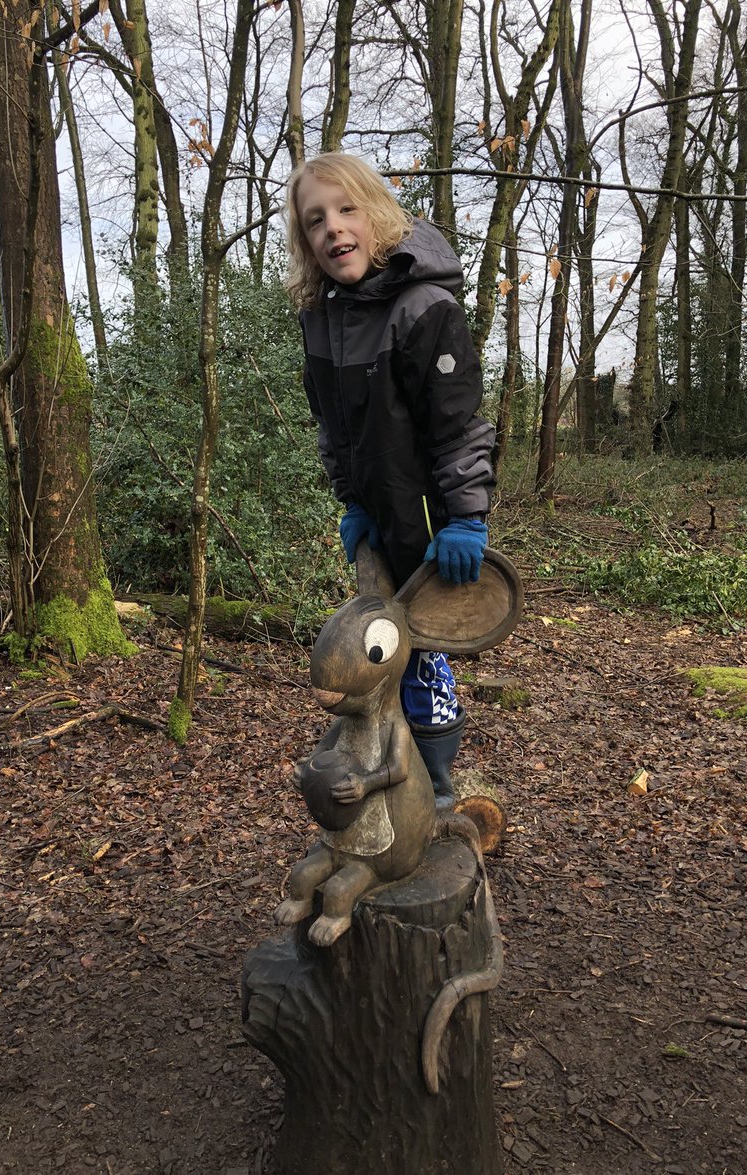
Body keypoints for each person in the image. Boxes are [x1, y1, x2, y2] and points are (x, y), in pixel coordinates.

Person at [286, 152, 496, 809]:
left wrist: (466, 517)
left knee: (425, 658)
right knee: (378, 654)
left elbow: (456, 425)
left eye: (347, 210)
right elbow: (332, 427)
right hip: (379, 520)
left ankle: (433, 791)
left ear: (377, 217)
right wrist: (352, 502)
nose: (333, 228)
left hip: (434, 527)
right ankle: (379, 777)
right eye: (315, 220)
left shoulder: (423, 308)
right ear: (305, 241)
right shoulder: (321, 320)